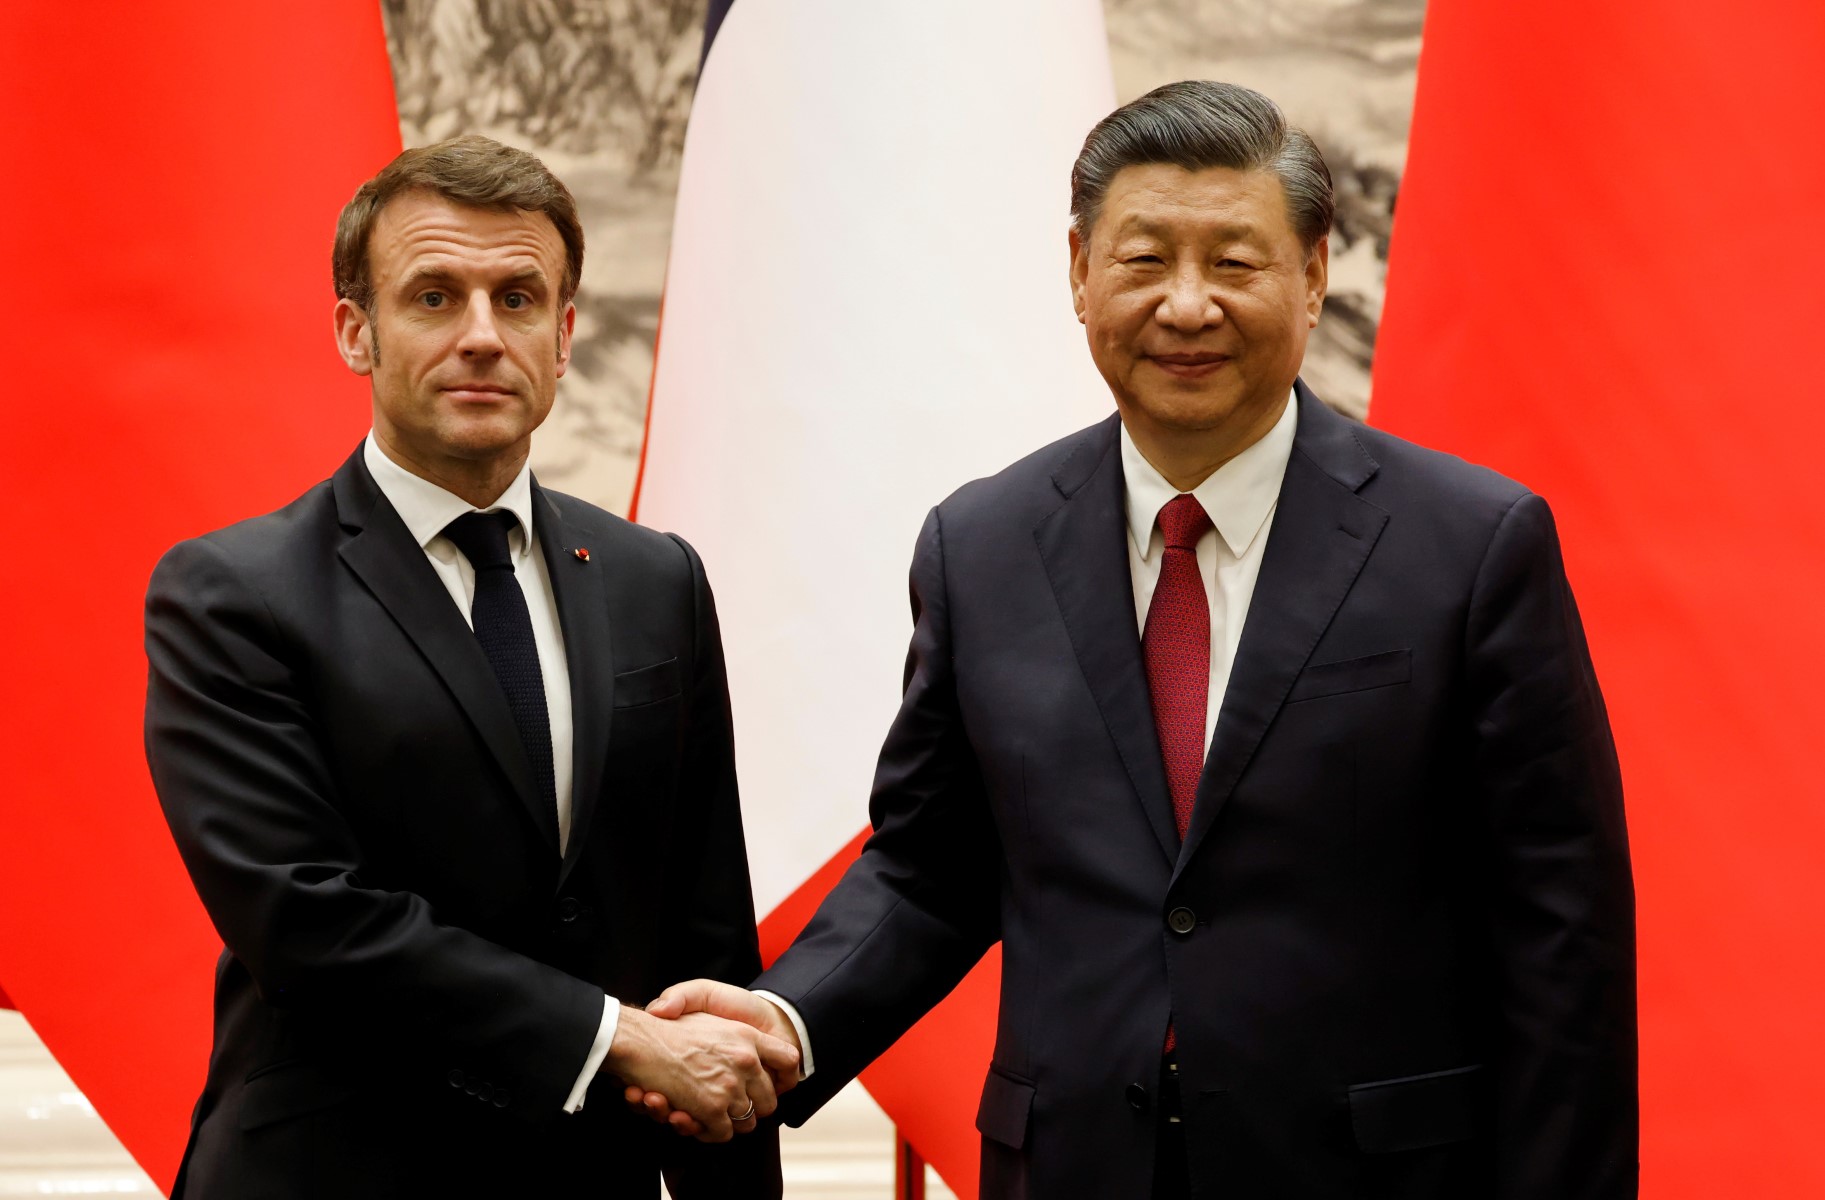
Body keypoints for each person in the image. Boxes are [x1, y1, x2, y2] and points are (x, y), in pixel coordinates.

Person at [633, 82, 1638, 1198]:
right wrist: (786, 1021)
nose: (1187, 305)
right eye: (1145, 259)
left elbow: (1562, 933)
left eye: (1235, 263)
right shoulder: (983, 545)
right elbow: (931, 868)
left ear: (1312, 276)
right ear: (1079, 272)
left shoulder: (1469, 544)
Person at [143, 136, 794, 1198]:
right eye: (435, 297)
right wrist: (613, 1038)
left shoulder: (656, 579)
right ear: (356, 332)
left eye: (518, 299)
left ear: (564, 336)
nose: (483, 336)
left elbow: (705, 933)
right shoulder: (231, 595)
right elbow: (309, 924)